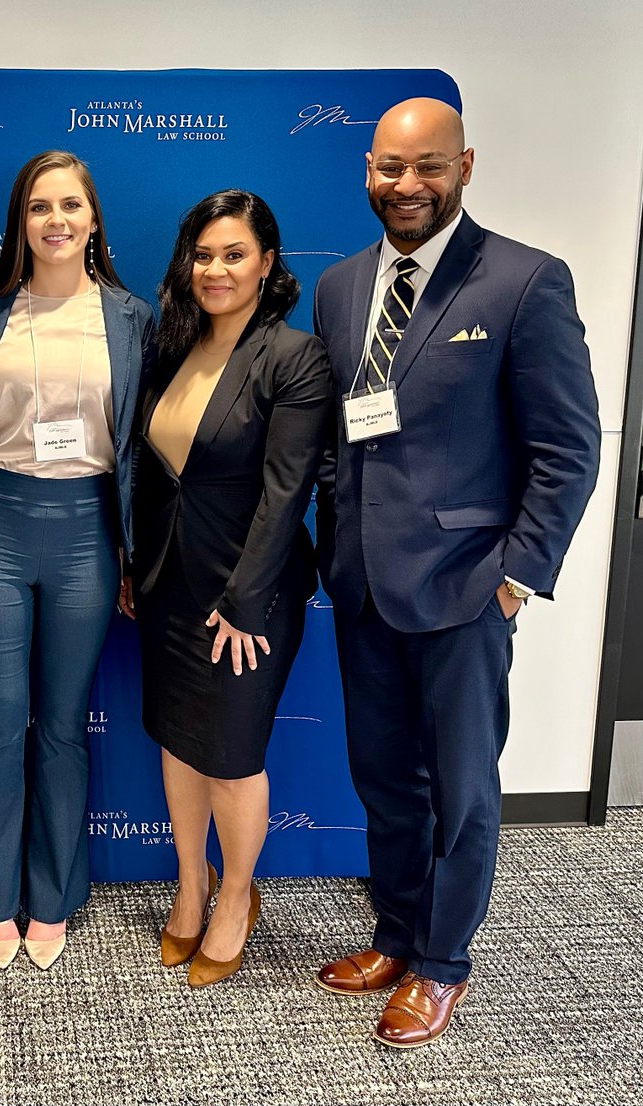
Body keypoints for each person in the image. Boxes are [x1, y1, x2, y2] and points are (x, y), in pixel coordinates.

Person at [313, 97, 600, 1047]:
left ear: (465, 167)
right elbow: (342, 437)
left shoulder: (523, 281)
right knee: (385, 779)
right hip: (361, 583)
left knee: (463, 788)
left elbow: (569, 448)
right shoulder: (345, 286)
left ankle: (443, 965)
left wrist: (517, 575)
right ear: (367, 170)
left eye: (428, 167)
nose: (408, 186)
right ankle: (396, 933)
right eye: (391, 168)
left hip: (467, 586)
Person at [0, 150, 154, 970]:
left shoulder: (133, 318)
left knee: (63, 727)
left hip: (87, 536)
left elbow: (142, 446)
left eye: (71, 205)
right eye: (39, 206)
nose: (56, 221)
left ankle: (55, 894)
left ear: (94, 219)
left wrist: (137, 553)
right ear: (20, 222)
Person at [123, 190, 331, 988]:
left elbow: (287, 493)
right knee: (179, 740)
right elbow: (150, 475)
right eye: (202, 255)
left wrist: (245, 603)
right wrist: (134, 564)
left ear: (267, 264)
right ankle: (190, 882)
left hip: (248, 596)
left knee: (233, 757)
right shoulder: (173, 347)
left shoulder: (293, 357)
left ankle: (237, 897)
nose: (214, 269)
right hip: (169, 583)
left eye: (233, 254)